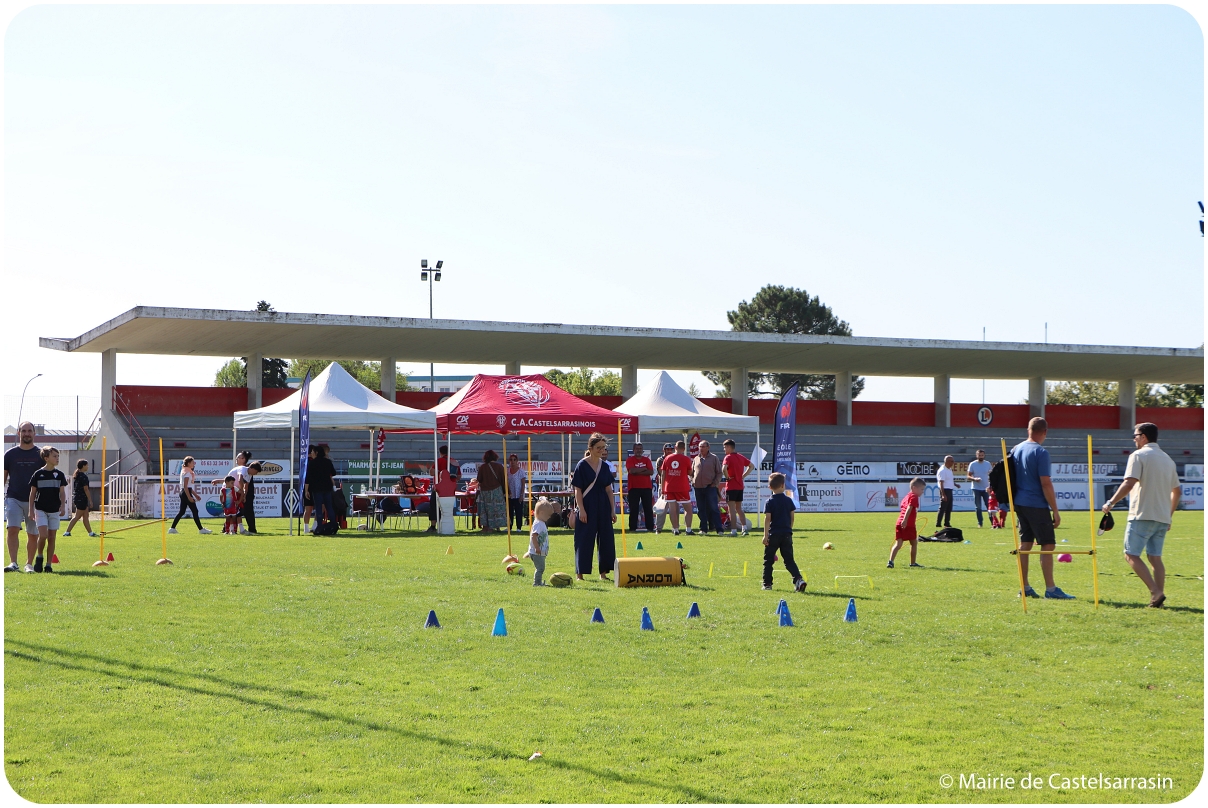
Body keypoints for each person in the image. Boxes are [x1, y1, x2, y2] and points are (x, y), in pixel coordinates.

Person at [1102, 422, 1182, 608]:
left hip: (1142, 514)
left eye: (1135, 436)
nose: (1134, 440)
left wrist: (1110, 502)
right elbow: (1177, 491)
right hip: (1162, 516)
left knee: (1130, 554)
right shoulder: (1168, 459)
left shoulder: (1138, 456)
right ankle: (1157, 601)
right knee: (1155, 558)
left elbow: (1129, 483)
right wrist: (1169, 515)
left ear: (1143, 437)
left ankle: (1155, 592)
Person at [1011, 417, 1073, 599]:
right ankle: (1051, 589)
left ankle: (1025, 587)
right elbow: (1045, 483)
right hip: (1036, 503)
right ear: (1045, 432)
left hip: (1020, 502)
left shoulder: (1016, 449)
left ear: (1028, 430)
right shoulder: (1041, 452)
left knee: (1025, 544)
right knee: (1047, 544)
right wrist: (1055, 510)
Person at [572, 432, 616, 581]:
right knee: (584, 539)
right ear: (590, 448)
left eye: (603, 447)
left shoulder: (604, 466)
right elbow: (577, 490)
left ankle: (604, 573)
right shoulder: (582, 465)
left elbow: (609, 490)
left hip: (603, 506)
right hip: (587, 505)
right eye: (599, 447)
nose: (601, 450)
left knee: (606, 539)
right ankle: (580, 574)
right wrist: (582, 510)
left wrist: (612, 510)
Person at [4, 421, 40, 572]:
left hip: (35, 501)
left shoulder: (41, 454)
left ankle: (29, 564)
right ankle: (13, 563)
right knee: (12, 529)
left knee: (33, 534)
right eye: (23, 431)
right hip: (14, 497)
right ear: (18, 433)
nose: (26, 433)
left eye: (29, 431)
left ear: (34, 433)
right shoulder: (9, 454)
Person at [762, 472, 807, 593]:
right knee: (789, 560)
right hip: (786, 534)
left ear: (770, 487)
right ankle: (798, 579)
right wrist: (789, 529)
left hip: (774, 534)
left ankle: (767, 583)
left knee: (768, 560)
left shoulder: (769, 502)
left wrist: (765, 535)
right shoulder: (789, 501)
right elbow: (792, 518)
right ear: (783, 485)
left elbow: (767, 519)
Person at [27, 447, 68, 573]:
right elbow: (32, 493)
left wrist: (62, 506)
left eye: (58, 456)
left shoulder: (59, 475)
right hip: (40, 509)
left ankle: (49, 565)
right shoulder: (38, 474)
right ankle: (39, 557)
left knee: (52, 537)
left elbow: (62, 493)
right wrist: (31, 510)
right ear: (46, 458)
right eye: (54, 456)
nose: (57, 458)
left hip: (54, 510)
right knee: (43, 535)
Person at [888, 477, 926, 568]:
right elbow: (909, 507)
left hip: (899, 523)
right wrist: (905, 520)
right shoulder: (914, 496)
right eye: (921, 489)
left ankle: (890, 562)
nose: (922, 492)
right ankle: (913, 563)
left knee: (898, 544)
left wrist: (903, 520)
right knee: (914, 543)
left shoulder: (906, 497)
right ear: (914, 488)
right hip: (908, 524)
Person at [658, 441, 694, 536]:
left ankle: (675, 529)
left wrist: (663, 488)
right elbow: (690, 472)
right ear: (684, 449)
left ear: (675, 447)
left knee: (672, 509)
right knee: (688, 509)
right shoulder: (686, 459)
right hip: (682, 487)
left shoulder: (667, 458)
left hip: (669, 487)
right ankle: (688, 529)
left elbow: (663, 474)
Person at [168, 456, 211, 535]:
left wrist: (195, 495)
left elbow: (188, 487)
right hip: (185, 492)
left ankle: (172, 528)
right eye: (192, 462)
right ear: (188, 463)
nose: (194, 464)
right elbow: (186, 486)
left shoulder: (185, 471)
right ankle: (201, 529)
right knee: (195, 511)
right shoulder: (187, 472)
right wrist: (189, 497)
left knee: (182, 512)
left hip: (184, 492)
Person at [721, 439, 754, 536]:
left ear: (729, 447)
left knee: (731, 509)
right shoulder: (740, 456)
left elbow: (724, 469)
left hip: (731, 486)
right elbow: (751, 466)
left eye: (725, 447)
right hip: (740, 486)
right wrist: (743, 476)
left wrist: (727, 477)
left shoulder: (728, 457)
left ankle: (734, 530)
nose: (724, 449)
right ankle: (744, 529)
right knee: (739, 508)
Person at [691, 440, 725, 534]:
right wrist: (692, 481)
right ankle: (703, 529)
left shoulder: (714, 458)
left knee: (714, 508)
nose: (701, 448)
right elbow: (691, 472)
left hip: (710, 487)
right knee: (701, 509)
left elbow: (719, 472)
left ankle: (719, 529)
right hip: (698, 488)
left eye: (703, 446)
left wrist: (715, 483)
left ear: (708, 447)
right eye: (700, 446)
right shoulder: (696, 458)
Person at [63, 459, 99, 538]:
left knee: (85, 516)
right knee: (77, 516)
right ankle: (67, 532)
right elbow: (86, 489)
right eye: (87, 465)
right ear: (83, 466)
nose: (88, 467)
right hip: (81, 498)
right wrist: (90, 500)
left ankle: (90, 533)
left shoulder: (78, 475)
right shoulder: (83, 476)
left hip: (78, 498)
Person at [524, 497, 556, 586]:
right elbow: (533, 536)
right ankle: (537, 583)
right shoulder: (538, 523)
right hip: (537, 552)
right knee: (540, 568)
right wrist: (536, 548)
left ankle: (538, 582)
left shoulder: (541, 523)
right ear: (542, 513)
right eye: (548, 515)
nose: (549, 517)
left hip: (539, 552)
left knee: (540, 568)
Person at [625, 442, 656, 532]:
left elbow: (651, 472)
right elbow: (632, 471)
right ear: (633, 450)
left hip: (646, 487)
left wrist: (637, 471)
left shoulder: (647, 460)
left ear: (642, 450)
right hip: (633, 487)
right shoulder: (630, 460)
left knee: (648, 508)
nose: (638, 450)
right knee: (634, 508)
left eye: (640, 449)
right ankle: (632, 528)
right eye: (637, 449)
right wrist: (643, 469)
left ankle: (650, 527)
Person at [305, 445, 337, 529]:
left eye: (313, 452)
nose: (311, 453)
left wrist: (306, 490)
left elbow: (308, 477)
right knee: (329, 507)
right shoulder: (328, 462)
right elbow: (333, 473)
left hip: (317, 488)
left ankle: (319, 526)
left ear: (316, 452)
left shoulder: (312, 463)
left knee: (318, 507)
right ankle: (333, 524)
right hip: (327, 487)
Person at [476, 450, 507, 532]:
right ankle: (497, 527)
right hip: (497, 491)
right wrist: (506, 491)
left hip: (485, 492)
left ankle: (486, 527)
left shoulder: (483, 467)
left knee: (486, 509)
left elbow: (479, 479)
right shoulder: (500, 467)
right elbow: (503, 480)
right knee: (497, 509)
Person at [428, 446, 454, 533]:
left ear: (440, 452)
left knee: (434, 506)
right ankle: (446, 526)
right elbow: (458, 476)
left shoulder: (439, 461)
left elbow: (431, 472)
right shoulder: (454, 461)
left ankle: (433, 526)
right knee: (447, 508)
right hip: (450, 489)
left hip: (438, 487)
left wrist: (439, 472)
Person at [966, 449, 992, 528]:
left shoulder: (987, 464)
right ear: (976, 455)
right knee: (978, 507)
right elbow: (968, 476)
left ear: (984, 455)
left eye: (982, 455)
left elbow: (991, 475)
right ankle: (980, 523)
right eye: (979, 455)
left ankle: (993, 522)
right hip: (976, 488)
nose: (981, 457)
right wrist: (974, 479)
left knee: (989, 506)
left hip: (986, 488)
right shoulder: (973, 464)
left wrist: (990, 486)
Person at [935, 455, 958, 528]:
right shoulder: (942, 470)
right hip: (945, 490)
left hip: (949, 489)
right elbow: (941, 483)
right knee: (942, 507)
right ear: (947, 461)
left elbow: (949, 480)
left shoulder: (949, 469)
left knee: (949, 508)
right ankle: (938, 523)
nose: (953, 462)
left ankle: (947, 523)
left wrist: (955, 484)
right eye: (952, 461)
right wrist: (943, 494)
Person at [506, 454, 527, 531]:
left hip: (518, 494)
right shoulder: (507, 471)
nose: (512, 461)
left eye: (514, 459)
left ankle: (519, 527)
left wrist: (521, 494)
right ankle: (510, 527)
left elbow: (523, 484)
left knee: (518, 511)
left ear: (517, 461)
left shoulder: (521, 471)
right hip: (510, 495)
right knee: (510, 512)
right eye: (511, 460)